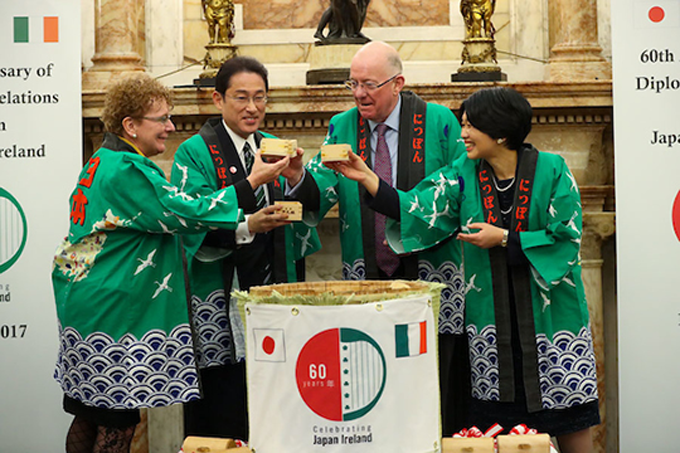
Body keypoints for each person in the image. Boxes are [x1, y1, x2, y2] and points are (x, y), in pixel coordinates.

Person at [327, 86, 600, 453]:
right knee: (497, 434)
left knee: (569, 420)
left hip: (551, 323)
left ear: (500, 133)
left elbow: (566, 238)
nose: (462, 135)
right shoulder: (462, 173)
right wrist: (366, 177)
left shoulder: (553, 170)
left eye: (470, 126)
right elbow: (418, 207)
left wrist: (503, 238)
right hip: (492, 325)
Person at [52, 73, 290, 453]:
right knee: (117, 426)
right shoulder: (127, 170)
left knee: (89, 416)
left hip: (86, 303)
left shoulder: (102, 159)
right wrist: (252, 182)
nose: (170, 127)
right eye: (160, 119)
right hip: (113, 314)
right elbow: (185, 212)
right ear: (130, 125)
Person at [285, 41, 469, 434]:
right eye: (352, 84)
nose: (359, 94)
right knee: (374, 378)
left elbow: (455, 191)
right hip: (367, 268)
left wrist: (379, 188)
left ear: (398, 82)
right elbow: (323, 187)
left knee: (434, 384)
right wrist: (297, 176)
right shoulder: (342, 124)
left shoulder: (439, 122)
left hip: (429, 270)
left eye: (368, 84)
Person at [171, 56, 319, 440]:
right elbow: (192, 217)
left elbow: (312, 204)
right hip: (220, 291)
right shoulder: (194, 151)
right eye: (241, 97)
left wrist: (297, 175)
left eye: (260, 97)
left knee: (277, 400)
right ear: (218, 100)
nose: (252, 107)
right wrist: (247, 221)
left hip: (272, 289)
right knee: (224, 401)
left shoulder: (272, 146)